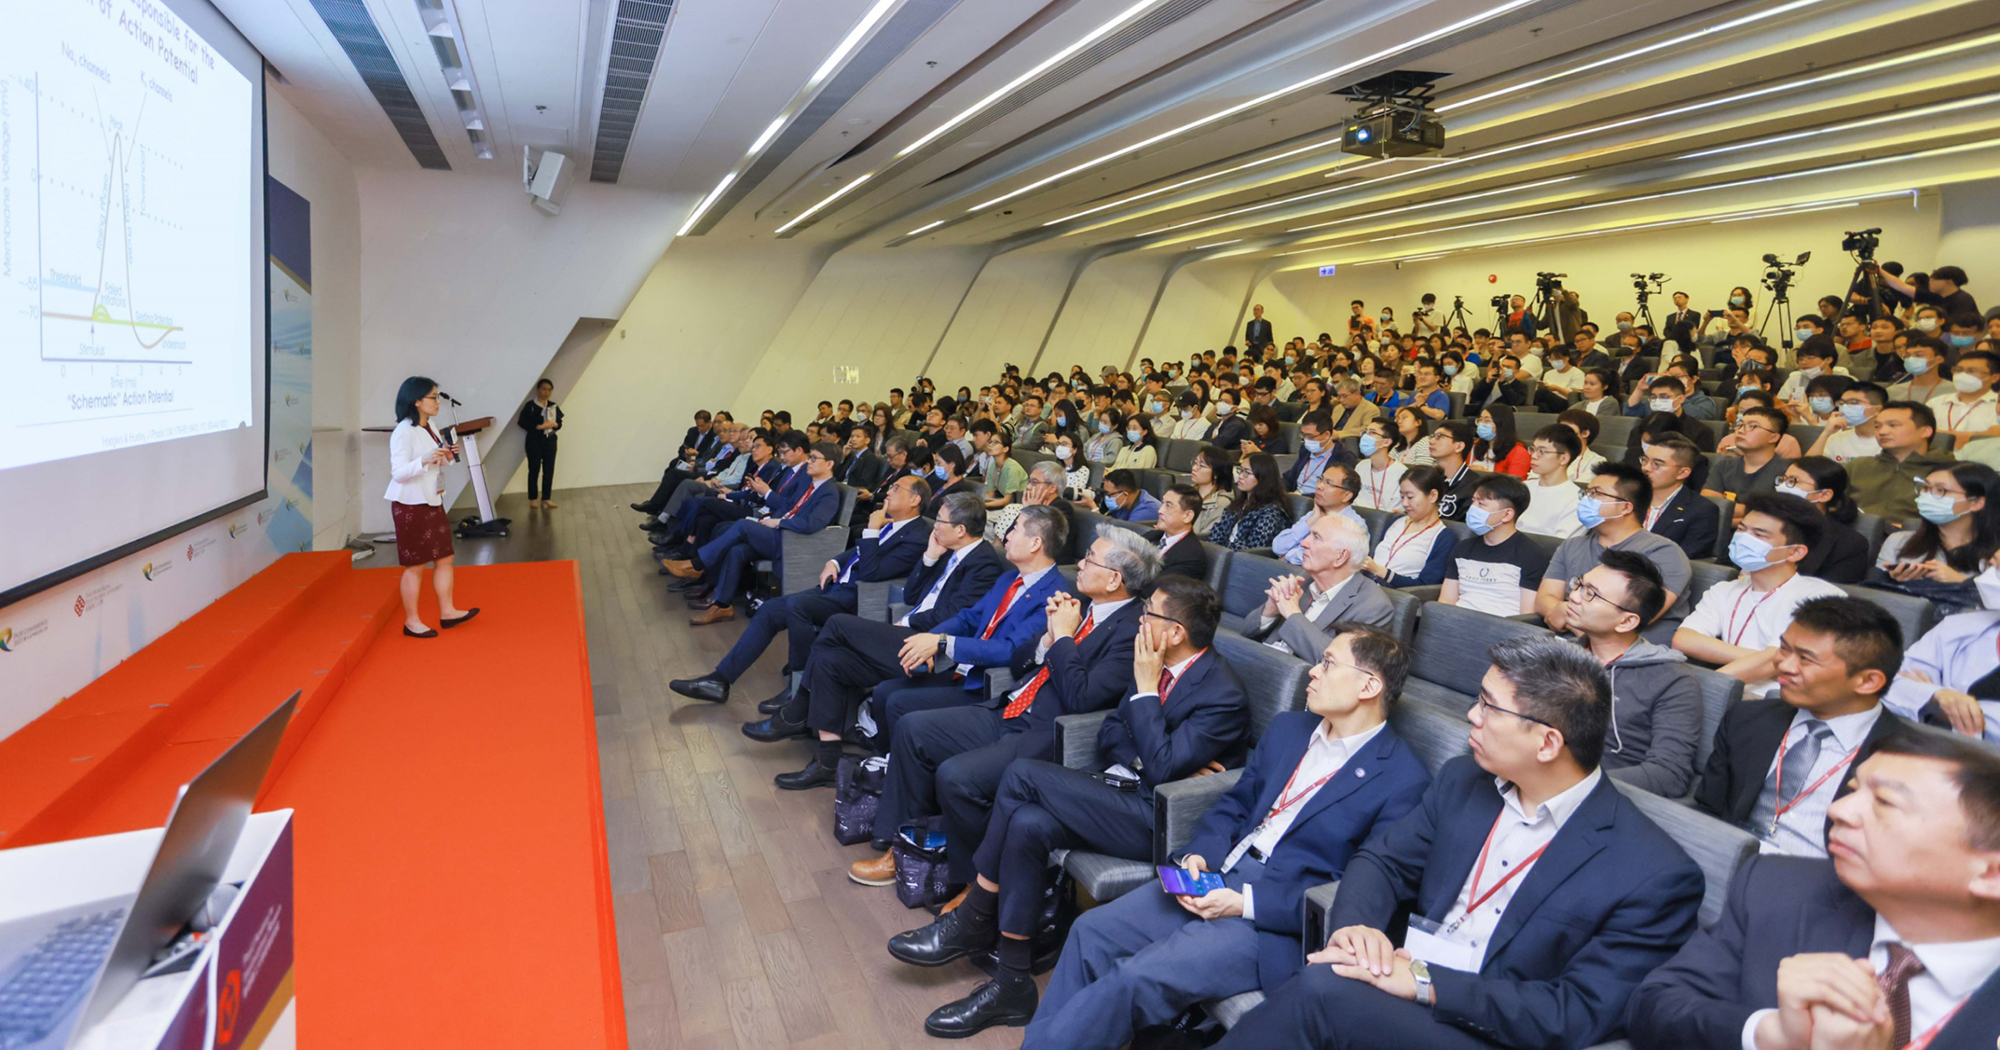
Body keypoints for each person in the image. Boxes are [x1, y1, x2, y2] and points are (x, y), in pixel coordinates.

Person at [1214, 636, 1705, 1050]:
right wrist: (1359, 930)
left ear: (1548, 743)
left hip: (1492, 1029)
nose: (1471, 715)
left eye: (1489, 707)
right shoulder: (1464, 781)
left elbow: (1574, 1011)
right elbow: (1383, 861)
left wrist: (1427, 985)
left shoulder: (1653, 872)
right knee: (1331, 976)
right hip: (1403, 982)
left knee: (1322, 987)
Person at [1021, 628, 1434, 1050]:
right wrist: (1200, 854)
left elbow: (1356, 892)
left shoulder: (1403, 780)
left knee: (1136, 977)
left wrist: (1246, 903)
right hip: (1216, 876)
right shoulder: (1292, 729)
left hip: (1269, 920)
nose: (1312, 671)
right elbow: (1234, 806)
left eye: (1327, 663)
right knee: (1091, 932)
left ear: (1369, 685)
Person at [896, 577, 1249, 1037]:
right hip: (1116, 789)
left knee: (1021, 774)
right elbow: (1111, 735)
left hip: (1160, 821)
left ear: (1176, 631)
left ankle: (974, 914)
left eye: (1150, 615)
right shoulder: (1155, 663)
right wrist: (1148, 749)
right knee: (1027, 822)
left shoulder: (1221, 694)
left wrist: (1145, 702)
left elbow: (1162, 773)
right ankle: (1012, 983)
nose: (1140, 621)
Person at [1628, 730, 2000, 1050]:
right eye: (1853, 789)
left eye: (1885, 802)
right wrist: (1772, 1034)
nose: (1839, 809)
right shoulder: (1778, 888)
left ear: (1991, 873)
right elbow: (1652, 1007)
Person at [846, 530, 1157, 895]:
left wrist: (1065, 638)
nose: (1081, 565)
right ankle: (899, 847)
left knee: (957, 777)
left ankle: (966, 883)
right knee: (913, 729)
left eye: (1090, 559)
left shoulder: (1130, 631)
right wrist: (1046, 640)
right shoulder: (1081, 605)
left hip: (1046, 733)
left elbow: (1082, 698)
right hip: (1010, 706)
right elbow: (1018, 659)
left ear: (1114, 579)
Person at [738, 494, 1003, 746]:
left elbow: (954, 615)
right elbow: (911, 593)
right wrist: (930, 557)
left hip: (928, 647)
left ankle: (796, 711)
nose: (935, 527)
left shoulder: (983, 563)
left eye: (941, 521)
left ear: (960, 530)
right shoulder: (948, 551)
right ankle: (826, 760)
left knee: (838, 624)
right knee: (829, 660)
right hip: (910, 632)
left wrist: (907, 624)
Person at [667, 474, 931, 707]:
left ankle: (798, 687)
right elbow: (857, 550)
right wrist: (835, 560)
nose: (888, 492)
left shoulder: (917, 536)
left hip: (857, 599)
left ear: (914, 500)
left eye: (896, 489)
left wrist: (873, 531)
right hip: (835, 588)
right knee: (771, 609)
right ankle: (719, 680)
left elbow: (874, 572)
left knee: (797, 606)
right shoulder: (891, 524)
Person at [1694, 596, 1910, 857]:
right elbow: (1709, 811)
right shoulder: (1746, 720)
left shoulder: (1907, 761)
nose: (1784, 666)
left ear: (1867, 681)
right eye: (1784, 648)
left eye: (1806, 659)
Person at [1561, 552, 1704, 797]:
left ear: (1626, 622)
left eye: (1590, 594)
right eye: (1579, 585)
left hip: (1601, 797)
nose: (1573, 597)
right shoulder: (1561, 656)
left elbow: (1670, 774)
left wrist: (1569, 785)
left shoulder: (1672, 680)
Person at [1674, 493, 1846, 695]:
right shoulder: (1724, 590)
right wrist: (1766, 658)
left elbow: (1777, 660)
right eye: (1741, 529)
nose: (1744, 539)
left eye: (1759, 534)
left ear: (1794, 552)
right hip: (1730, 689)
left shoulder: (1821, 597)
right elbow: (1684, 639)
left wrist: (1706, 688)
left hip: (1780, 699)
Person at [662, 442, 842, 625]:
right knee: (737, 551)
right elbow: (788, 507)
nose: (808, 462)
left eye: (813, 458)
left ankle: (697, 564)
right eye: (809, 457)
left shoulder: (829, 492)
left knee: (742, 525)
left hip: (791, 542)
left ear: (829, 464)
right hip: (778, 531)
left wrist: (778, 522)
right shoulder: (811, 485)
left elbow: (811, 524)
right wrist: (767, 520)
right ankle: (722, 605)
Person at [1538, 464, 1693, 632]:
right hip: (1572, 645)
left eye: (1595, 493)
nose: (1585, 500)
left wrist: (1566, 614)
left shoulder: (1664, 552)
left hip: (1633, 651)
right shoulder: (1572, 545)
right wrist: (1567, 617)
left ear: (1625, 507)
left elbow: (1636, 616)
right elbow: (1544, 599)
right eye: (1585, 493)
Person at [386, 377, 477, 637]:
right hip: (410, 503)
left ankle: (447, 611)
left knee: (445, 557)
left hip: (431, 498)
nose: (438, 402)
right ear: (416, 401)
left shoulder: (431, 426)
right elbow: (398, 473)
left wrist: (447, 454)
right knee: (415, 565)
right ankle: (412, 621)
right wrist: (425, 459)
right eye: (433, 397)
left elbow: (438, 463)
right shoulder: (403, 431)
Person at [1241, 513, 1395, 660]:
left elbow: (1338, 664)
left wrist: (1292, 614)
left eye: (1316, 537)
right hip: (1262, 661)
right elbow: (1247, 631)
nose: (1303, 543)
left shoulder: (1373, 607)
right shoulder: (1307, 579)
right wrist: (1270, 610)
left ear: (1340, 557)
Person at [1873, 462, 1999, 616]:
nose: (1926, 496)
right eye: (1925, 488)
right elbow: (1870, 599)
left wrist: (1961, 583)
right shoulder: (1899, 541)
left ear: (1976, 502)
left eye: (1941, 490)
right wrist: (1891, 581)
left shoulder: (1996, 555)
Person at [1439, 475, 1548, 617]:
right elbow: (1446, 601)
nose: (1472, 509)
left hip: (1501, 630)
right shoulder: (1462, 549)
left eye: (1481, 504)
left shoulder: (1533, 555)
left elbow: (1526, 616)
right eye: (1473, 502)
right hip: (1457, 624)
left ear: (1507, 514)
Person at [1847, 401, 1956, 528]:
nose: (1882, 432)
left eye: (1893, 425)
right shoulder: (1858, 466)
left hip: (1913, 539)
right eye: (1877, 426)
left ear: (1925, 431)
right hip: (1854, 536)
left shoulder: (1949, 472)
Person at [1775, 456, 1871, 584]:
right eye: (1783, 479)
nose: (1783, 486)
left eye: (1794, 481)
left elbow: (1833, 595)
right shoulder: (1766, 522)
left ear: (1824, 495)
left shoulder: (1849, 544)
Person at [1362, 466, 1459, 588]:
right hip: (1366, 587)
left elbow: (1425, 587)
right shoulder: (1396, 521)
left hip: (1397, 597)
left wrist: (1381, 572)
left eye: (1410, 497)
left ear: (1433, 496)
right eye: (1402, 497)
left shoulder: (1443, 538)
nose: (1405, 503)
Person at [1274, 464, 1365, 566]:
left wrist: (1288, 556)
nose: (1319, 486)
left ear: (1346, 496)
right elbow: (1278, 547)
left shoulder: (1354, 525)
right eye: (1320, 479)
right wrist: (1312, 519)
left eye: (1329, 483)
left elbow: (1324, 559)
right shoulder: (1316, 513)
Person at [1207, 453, 1293, 551]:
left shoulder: (1271, 513)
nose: (1240, 476)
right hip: (1222, 556)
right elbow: (1218, 531)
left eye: (1246, 473)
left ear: (1262, 477)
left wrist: (1225, 547)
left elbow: (1254, 550)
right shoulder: (1239, 503)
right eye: (1240, 470)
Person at [1517, 425, 1583, 540]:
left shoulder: (1577, 499)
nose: (1533, 456)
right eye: (1533, 449)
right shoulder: (1523, 487)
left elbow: (1560, 544)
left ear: (1563, 458)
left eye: (1541, 451)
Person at [1805, 380, 1887, 465]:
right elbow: (1807, 468)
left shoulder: (1890, 438)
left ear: (1877, 409)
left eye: (1853, 403)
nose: (1844, 407)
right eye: (1841, 403)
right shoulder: (1836, 437)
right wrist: (1826, 433)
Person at [1147, 483, 1211, 580]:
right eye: (1162, 503)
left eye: (1168, 505)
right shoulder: (1152, 536)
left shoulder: (1191, 558)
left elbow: (1160, 589)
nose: (1160, 510)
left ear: (1187, 516)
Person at [518, 377, 562, 508]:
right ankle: (533, 498)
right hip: (534, 441)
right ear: (538, 390)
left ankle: (546, 498)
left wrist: (554, 424)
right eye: (544, 389)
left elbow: (559, 423)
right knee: (534, 469)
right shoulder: (530, 406)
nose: (546, 392)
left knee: (549, 469)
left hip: (550, 441)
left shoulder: (553, 406)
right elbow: (522, 422)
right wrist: (538, 426)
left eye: (549, 390)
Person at [1284, 411, 1350, 495]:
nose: (1306, 440)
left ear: (1327, 434)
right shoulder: (1305, 451)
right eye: (1303, 435)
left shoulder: (1343, 457)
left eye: (1310, 436)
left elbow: (1336, 493)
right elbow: (1288, 479)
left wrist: (1302, 498)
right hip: (1294, 498)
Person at [1428, 421, 1480, 522]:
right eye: (1433, 436)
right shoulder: (1427, 478)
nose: (1431, 441)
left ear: (1459, 446)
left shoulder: (1475, 486)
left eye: (1440, 436)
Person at [1354, 419, 1409, 512]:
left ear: (1386, 442)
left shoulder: (1402, 473)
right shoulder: (1361, 466)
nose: (1365, 436)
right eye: (1365, 432)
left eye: (1372, 432)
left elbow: (1394, 512)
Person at [1471, 405, 1530, 478]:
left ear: (1502, 424)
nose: (1481, 424)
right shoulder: (1475, 445)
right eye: (1480, 420)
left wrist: (1486, 474)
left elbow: (1515, 485)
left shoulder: (1519, 453)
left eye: (1487, 421)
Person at [1086, 468, 1161, 523]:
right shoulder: (1124, 502)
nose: (1106, 498)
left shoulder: (1147, 510)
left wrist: (1093, 508)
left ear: (1125, 494)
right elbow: (1109, 519)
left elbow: (1122, 536)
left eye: (1108, 494)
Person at [1187, 447, 1232, 535]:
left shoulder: (1221, 503)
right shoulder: (1187, 493)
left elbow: (1207, 537)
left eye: (1202, 466)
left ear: (1216, 474)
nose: (1195, 468)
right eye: (1195, 463)